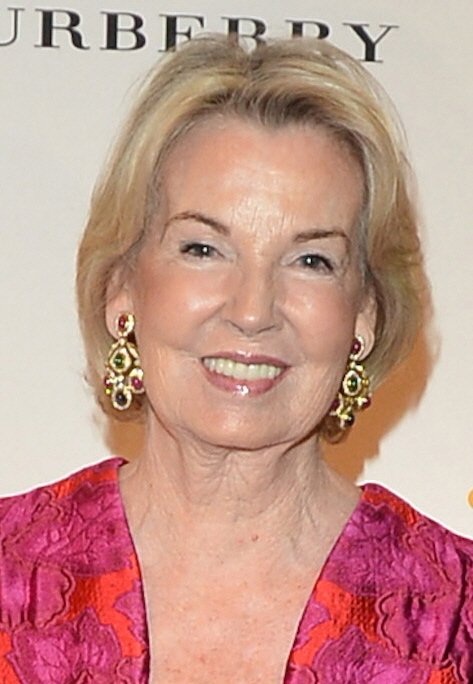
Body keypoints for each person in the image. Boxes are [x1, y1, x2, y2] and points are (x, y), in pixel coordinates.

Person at [0, 35, 472, 684]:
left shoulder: (454, 622)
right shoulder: (11, 577)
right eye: (203, 249)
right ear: (122, 288)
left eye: (311, 261)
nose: (252, 311)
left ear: (363, 316)